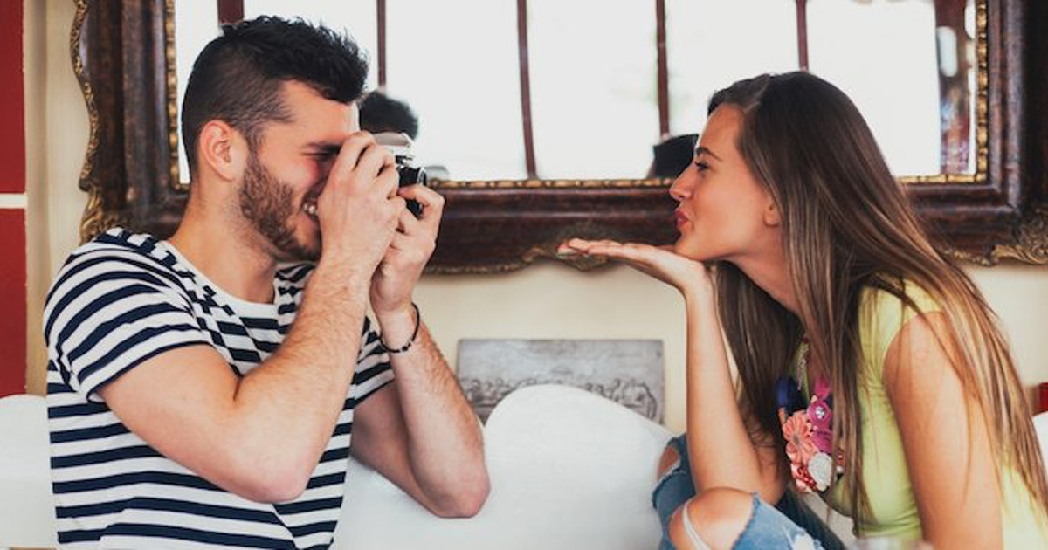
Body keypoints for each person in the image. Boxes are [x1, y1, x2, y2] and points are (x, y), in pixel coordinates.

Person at [43, 16, 488, 548]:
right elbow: (266, 466)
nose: (343, 183)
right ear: (223, 150)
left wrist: (394, 308)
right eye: (324, 156)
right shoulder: (107, 280)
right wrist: (347, 263)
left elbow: (458, 491)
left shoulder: (320, 304)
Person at [560, 72, 1048, 549]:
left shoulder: (905, 320)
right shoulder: (794, 332)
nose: (680, 186)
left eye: (704, 166)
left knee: (712, 517)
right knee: (685, 462)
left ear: (776, 197)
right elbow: (735, 493)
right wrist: (697, 295)